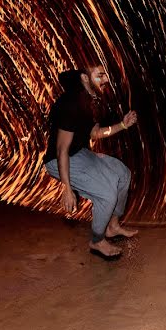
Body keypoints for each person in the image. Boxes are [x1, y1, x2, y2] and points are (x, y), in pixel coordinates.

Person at [43, 65, 139, 258]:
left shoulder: (91, 101)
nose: (105, 80)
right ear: (85, 78)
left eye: (105, 75)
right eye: (99, 75)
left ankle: (112, 226)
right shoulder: (71, 103)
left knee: (122, 174)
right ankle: (97, 240)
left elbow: (94, 133)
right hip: (60, 160)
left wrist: (122, 125)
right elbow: (62, 149)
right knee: (106, 193)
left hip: (80, 153)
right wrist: (67, 189)